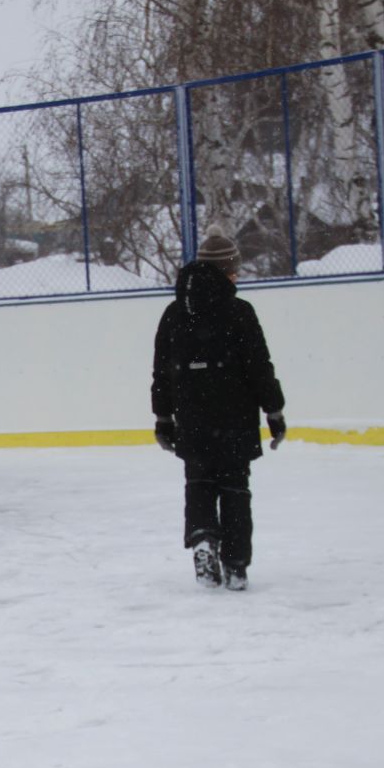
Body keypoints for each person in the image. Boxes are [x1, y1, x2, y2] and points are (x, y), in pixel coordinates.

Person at [150, 232, 287, 591]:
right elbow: (260, 366)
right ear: (228, 270)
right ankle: (236, 565)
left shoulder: (174, 313)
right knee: (235, 488)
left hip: (192, 418)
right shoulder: (240, 312)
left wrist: (163, 419)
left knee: (199, 483)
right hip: (235, 417)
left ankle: (203, 540)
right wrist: (274, 412)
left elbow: (161, 372)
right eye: (235, 269)